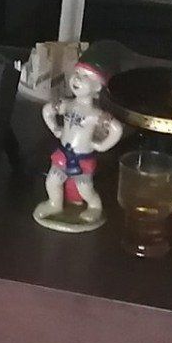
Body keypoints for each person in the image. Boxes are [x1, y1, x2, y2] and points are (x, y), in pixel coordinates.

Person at [36, 61, 125, 230]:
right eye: (76, 74)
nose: (77, 79)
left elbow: (116, 129)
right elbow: (47, 110)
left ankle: (94, 206)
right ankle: (55, 204)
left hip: (83, 159)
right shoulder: (67, 105)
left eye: (85, 77)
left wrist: (101, 146)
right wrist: (56, 129)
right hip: (63, 155)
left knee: (85, 188)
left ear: (97, 87)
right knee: (52, 181)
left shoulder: (95, 115)